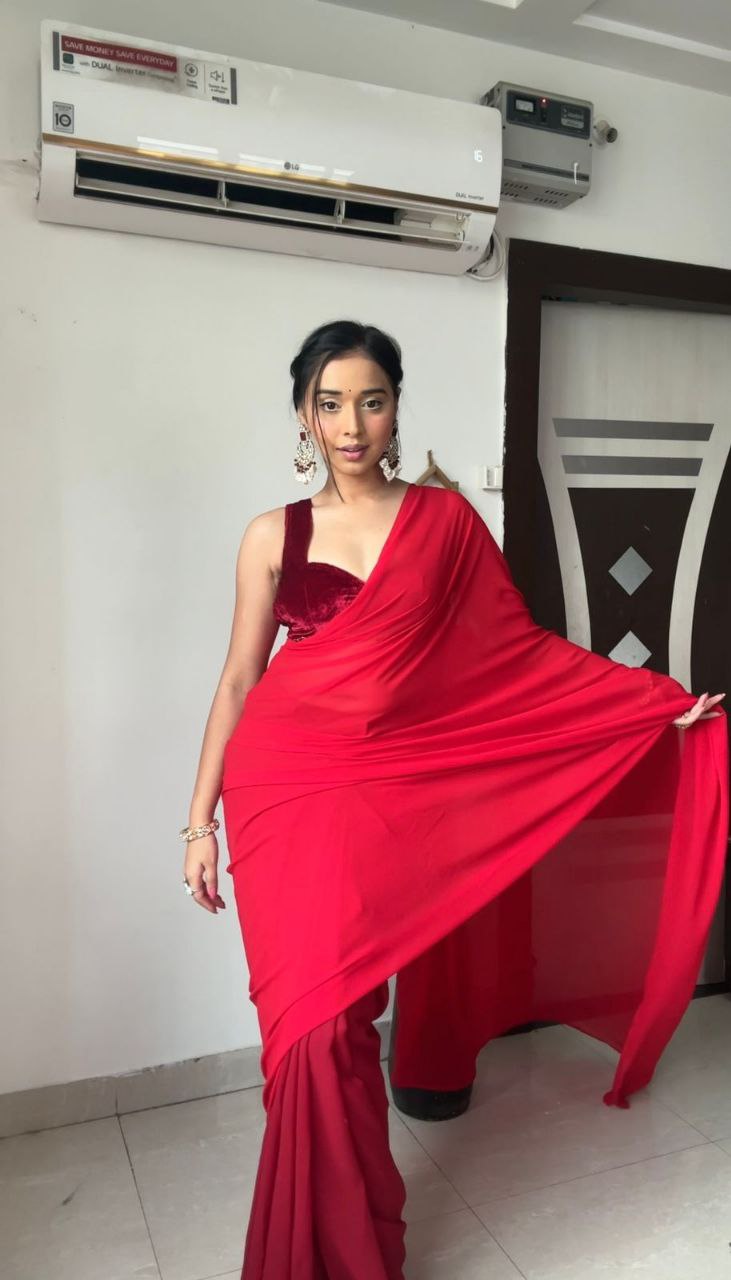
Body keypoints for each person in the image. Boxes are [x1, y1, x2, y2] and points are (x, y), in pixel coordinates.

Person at [181, 320, 727, 1280]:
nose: (352, 425)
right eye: (330, 404)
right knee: (308, 1030)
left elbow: (515, 655)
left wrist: (650, 703)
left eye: (371, 401)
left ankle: (344, 1246)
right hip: (279, 789)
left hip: (384, 793)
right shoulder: (271, 534)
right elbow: (237, 680)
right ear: (303, 415)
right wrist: (198, 822)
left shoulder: (443, 522)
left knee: (343, 1014)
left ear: (396, 408)